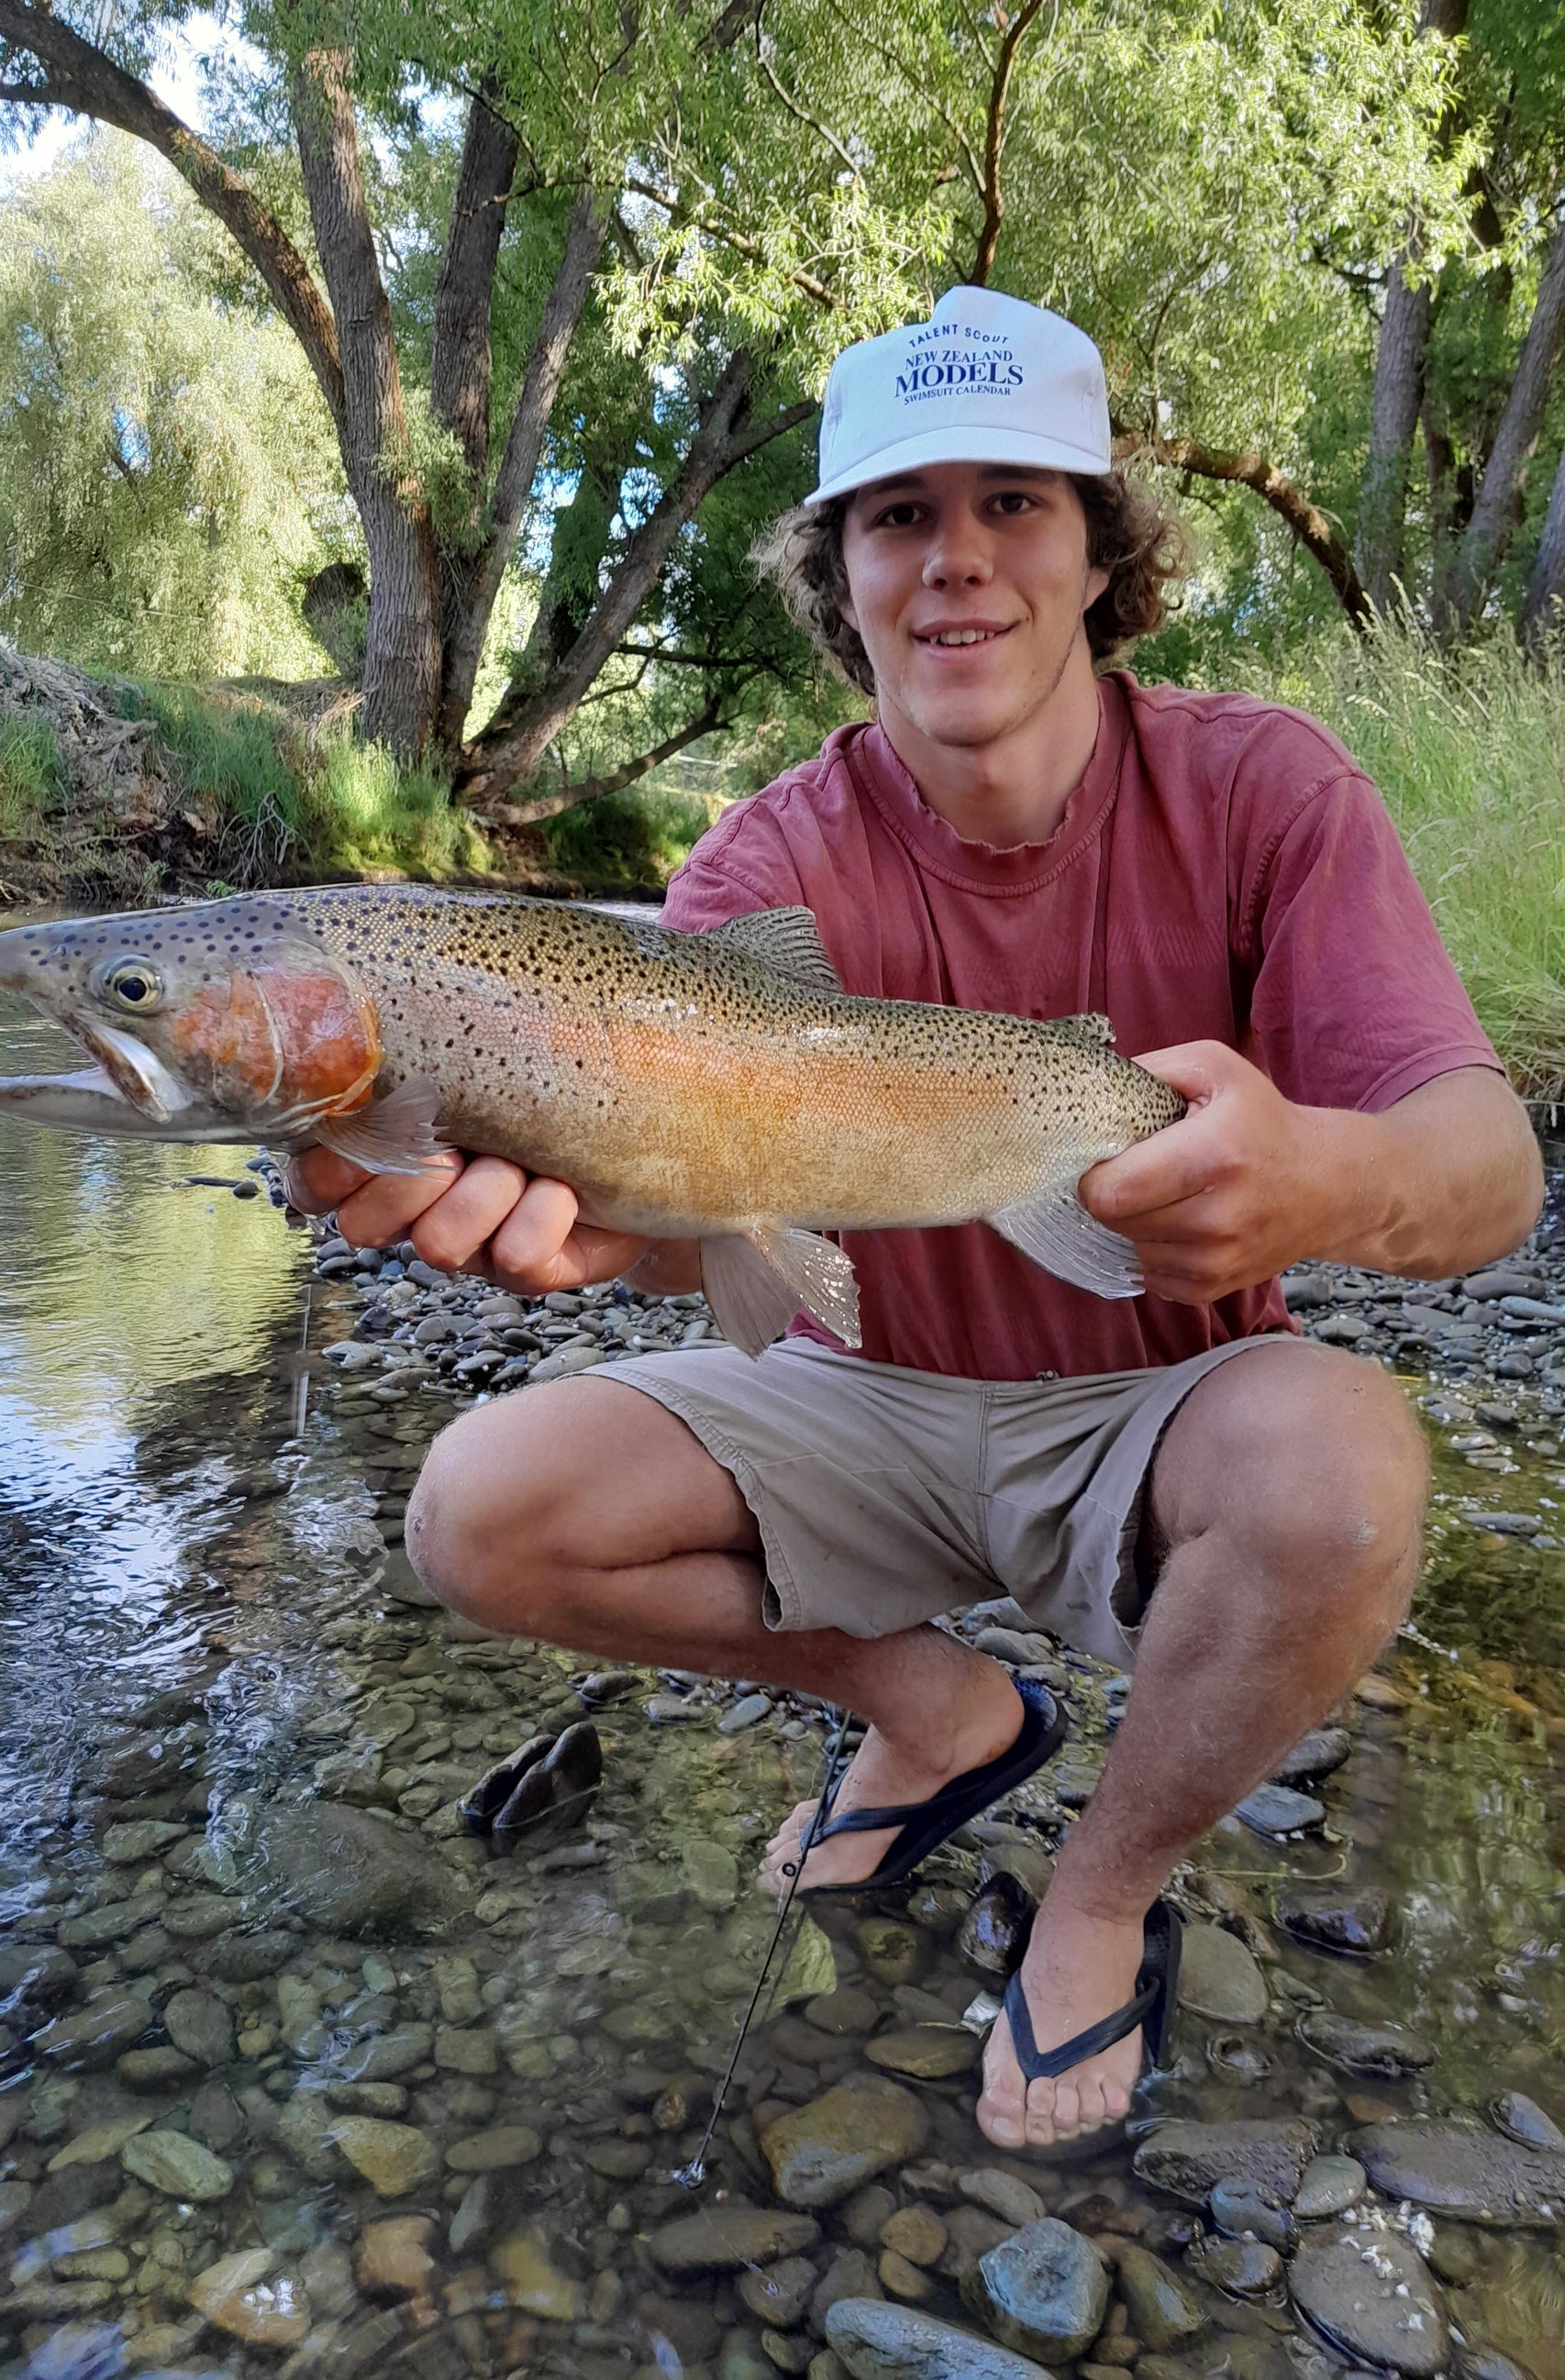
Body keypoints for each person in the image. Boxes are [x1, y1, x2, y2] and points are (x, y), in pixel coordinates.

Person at [290, 287, 1542, 2153]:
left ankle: (1101, 1888)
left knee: (1345, 1475)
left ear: (1100, 554)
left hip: (1159, 1403)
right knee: (475, 1506)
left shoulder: (1265, 790)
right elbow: (689, 1227)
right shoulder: (763, 865)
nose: (954, 559)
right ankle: (941, 1712)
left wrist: (1318, 1177)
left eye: (1011, 503)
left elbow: (1490, 1168)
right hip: (849, 1384)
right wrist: (591, 1228)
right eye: (898, 516)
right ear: (842, 575)